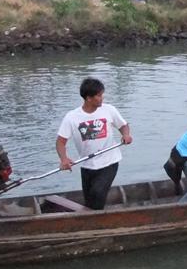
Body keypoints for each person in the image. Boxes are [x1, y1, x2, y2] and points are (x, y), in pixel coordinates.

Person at [56, 77, 133, 210]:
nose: (102, 98)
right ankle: (92, 221)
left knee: (97, 193)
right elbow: (60, 142)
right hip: (87, 165)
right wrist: (63, 159)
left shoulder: (109, 110)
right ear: (88, 98)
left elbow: (123, 125)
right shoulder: (72, 117)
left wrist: (125, 135)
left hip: (109, 162)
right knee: (89, 199)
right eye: (99, 95)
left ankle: (96, 224)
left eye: (101, 94)